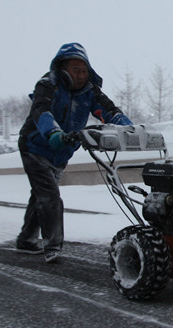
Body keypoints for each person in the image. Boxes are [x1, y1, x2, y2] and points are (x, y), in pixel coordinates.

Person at [16, 42, 133, 263]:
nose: (80, 75)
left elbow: (109, 111)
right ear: (62, 68)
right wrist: (53, 132)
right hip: (35, 147)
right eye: (75, 70)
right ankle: (53, 247)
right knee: (49, 195)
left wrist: (128, 128)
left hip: (61, 152)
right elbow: (41, 110)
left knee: (41, 194)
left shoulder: (90, 91)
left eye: (84, 71)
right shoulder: (48, 85)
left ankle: (26, 240)